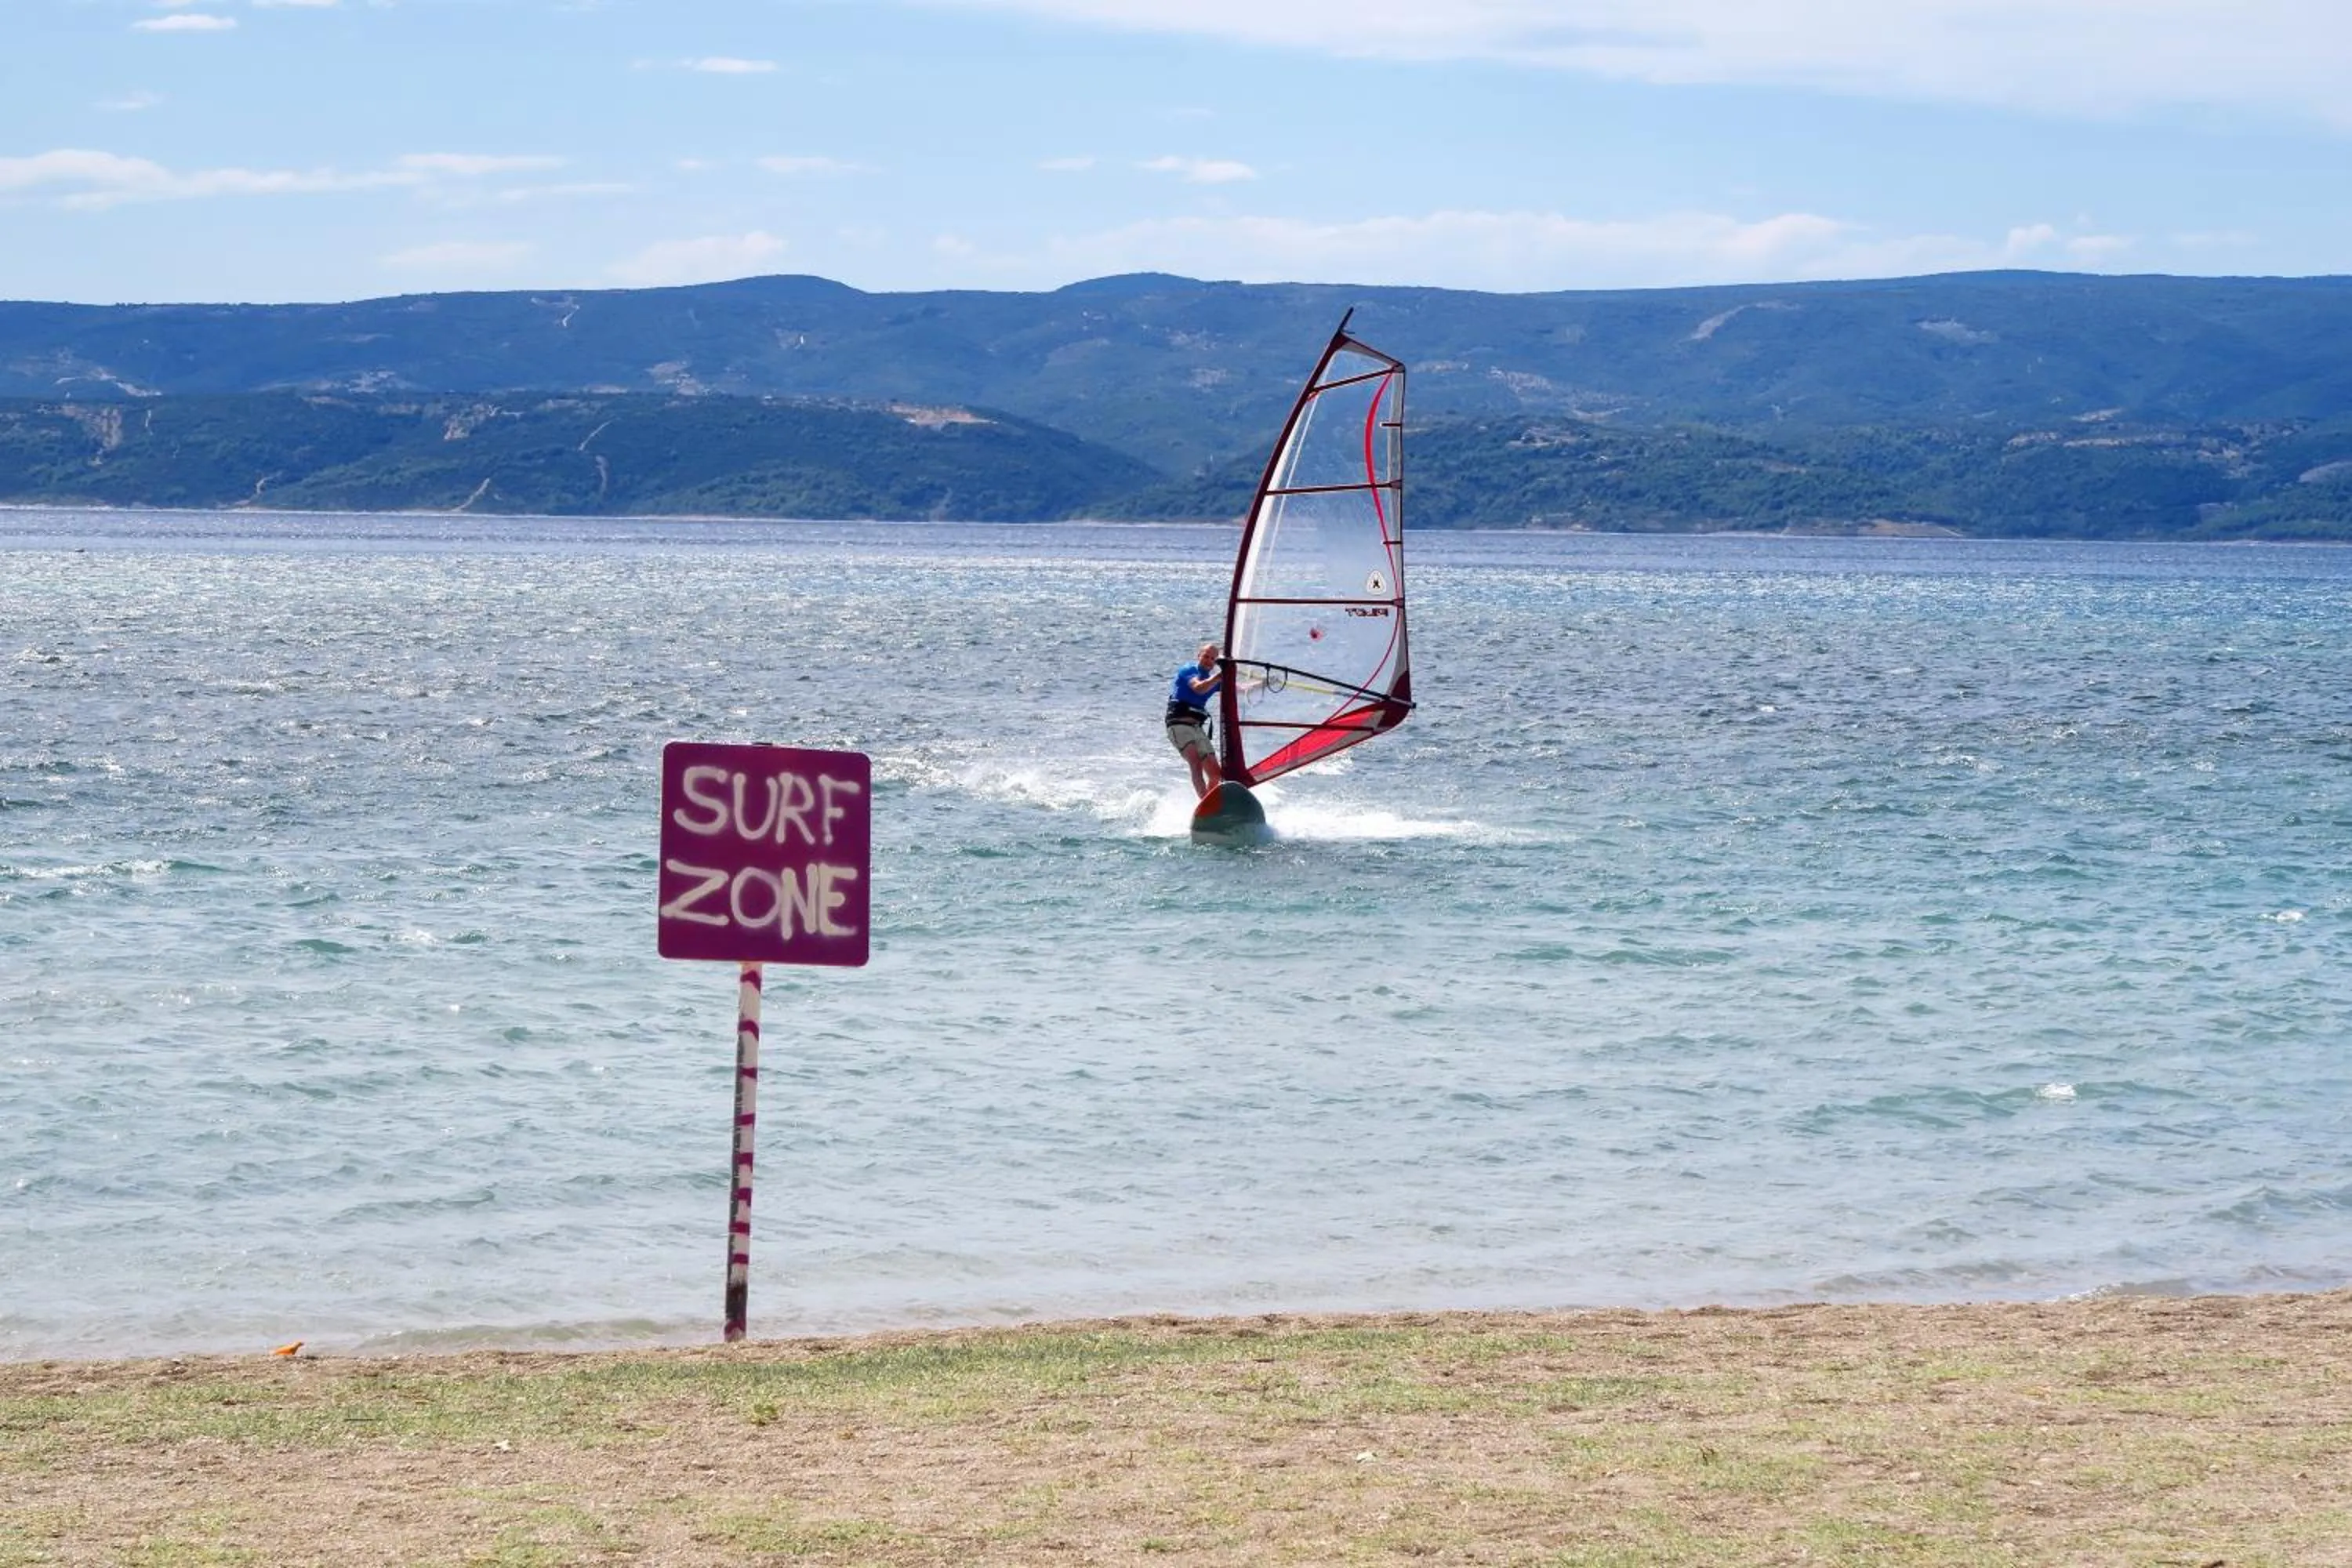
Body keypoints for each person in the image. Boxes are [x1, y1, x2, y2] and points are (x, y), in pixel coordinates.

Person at [1166, 641, 1224, 799]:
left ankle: (1209, 803)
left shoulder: (1214, 680)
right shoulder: (1188, 670)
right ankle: (1205, 801)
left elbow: (1240, 689)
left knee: (1215, 773)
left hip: (1197, 729)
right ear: (1199, 656)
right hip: (1178, 725)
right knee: (1196, 762)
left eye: (1213, 659)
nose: (1209, 661)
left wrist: (1264, 683)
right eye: (1206, 656)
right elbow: (1199, 688)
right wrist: (1219, 677)